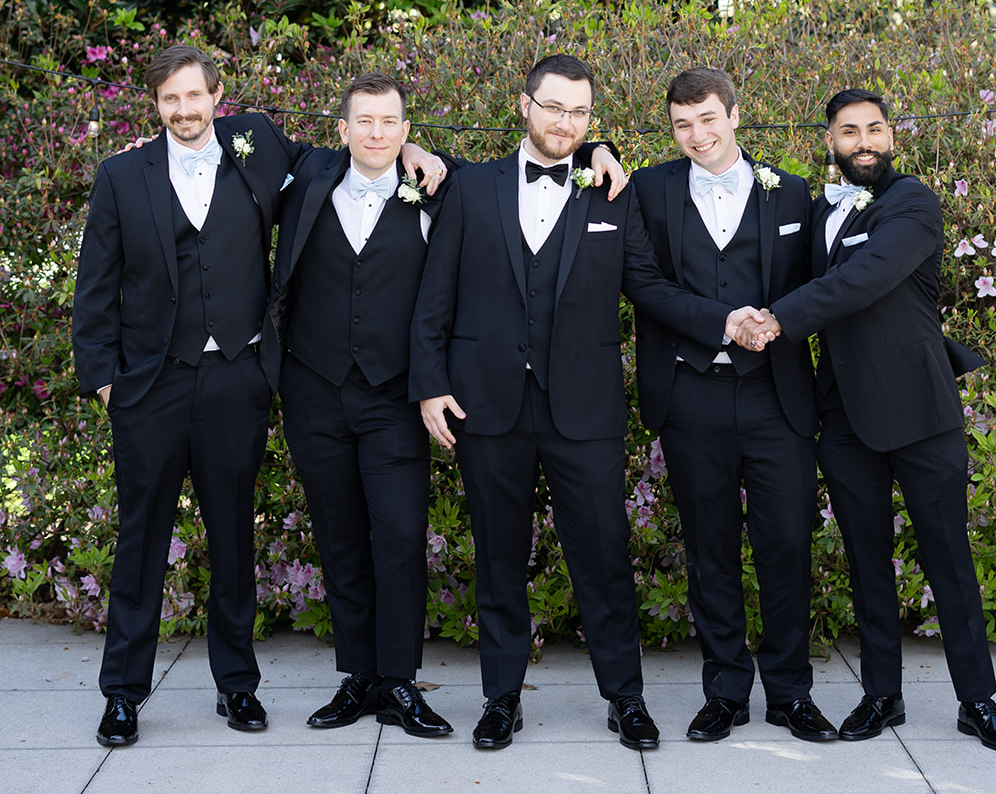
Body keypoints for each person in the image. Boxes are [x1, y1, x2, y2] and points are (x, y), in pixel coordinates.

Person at [72, 44, 442, 748]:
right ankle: (122, 693)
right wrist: (108, 380)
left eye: (194, 95)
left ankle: (236, 686)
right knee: (141, 542)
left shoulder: (258, 143)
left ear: (218, 96)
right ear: (156, 105)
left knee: (233, 538)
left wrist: (411, 147)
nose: (184, 110)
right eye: (170, 99)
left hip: (237, 378)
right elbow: (95, 288)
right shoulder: (122, 175)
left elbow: (346, 153)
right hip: (149, 387)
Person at [270, 71, 619, 740]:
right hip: (314, 387)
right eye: (364, 121)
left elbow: (543, 154)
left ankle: (399, 680)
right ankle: (359, 677)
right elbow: (235, 139)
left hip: (394, 392)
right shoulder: (308, 178)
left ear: (409, 131)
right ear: (341, 129)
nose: (376, 133)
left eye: (390, 123)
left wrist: (601, 147)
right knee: (339, 537)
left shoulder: (442, 185)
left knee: (400, 538)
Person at [409, 53, 724, 753]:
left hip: (584, 406)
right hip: (485, 404)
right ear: (524, 106)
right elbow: (435, 295)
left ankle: (625, 697)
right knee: (497, 555)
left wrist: (723, 321)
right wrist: (429, 383)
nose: (565, 122)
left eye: (579, 112)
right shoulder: (471, 187)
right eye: (553, 107)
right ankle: (500, 698)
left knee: (604, 556)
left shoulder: (612, 192)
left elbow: (648, 286)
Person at [739, 88, 996, 754]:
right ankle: (881, 696)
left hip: (920, 412)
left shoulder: (912, 203)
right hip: (843, 417)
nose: (862, 141)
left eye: (873, 128)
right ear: (830, 141)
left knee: (947, 557)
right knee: (866, 561)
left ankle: (976, 701)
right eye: (848, 131)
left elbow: (863, 278)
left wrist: (777, 320)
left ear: (891, 136)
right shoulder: (818, 212)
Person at [631, 67, 834, 743]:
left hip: (777, 396)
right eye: (682, 124)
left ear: (734, 115)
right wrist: (723, 321)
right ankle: (723, 690)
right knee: (708, 546)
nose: (697, 135)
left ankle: (790, 693)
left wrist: (773, 322)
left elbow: (816, 284)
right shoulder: (649, 189)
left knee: (786, 544)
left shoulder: (791, 191)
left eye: (708, 119)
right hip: (691, 393)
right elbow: (642, 282)